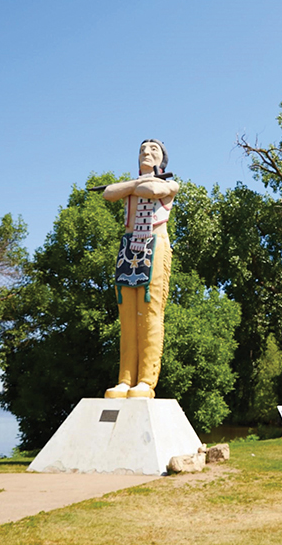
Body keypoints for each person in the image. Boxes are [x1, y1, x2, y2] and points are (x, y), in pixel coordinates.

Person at [102, 139, 179, 399]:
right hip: (128, 247)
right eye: (142, 150)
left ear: (162, 159)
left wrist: (132, 185)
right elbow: (108, 193)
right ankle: (125, 379)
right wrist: (133, 184)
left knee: (149, 314)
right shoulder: (133, 185)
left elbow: (150, 190)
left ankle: (146, 380)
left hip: (154, 244)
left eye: (153, 150)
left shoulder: (169, 184)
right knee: (127, 318)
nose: (146, 153)